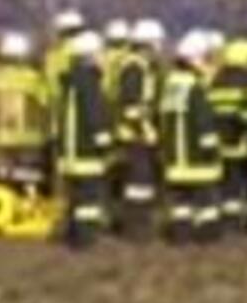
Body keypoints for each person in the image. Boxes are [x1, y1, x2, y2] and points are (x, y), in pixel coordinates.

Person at [158, 31, 224, 244]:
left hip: (175, 155)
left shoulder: (170, 85)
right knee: (206, 201)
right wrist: (212, 147)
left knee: (180, 201)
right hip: (197, 155)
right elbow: (203, 120)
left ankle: (180, 235)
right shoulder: (195, 87)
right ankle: (208, 235)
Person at [57, 29, 112, 250]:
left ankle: (74, 234)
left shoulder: (71, 81)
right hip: (85, 150)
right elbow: (93, 112)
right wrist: (103, 138)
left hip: (69, 150)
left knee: (76, 197)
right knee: (89, 197)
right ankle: (86, 239)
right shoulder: (89, 82)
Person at [112, 19, 163, 241]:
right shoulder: (134, 68)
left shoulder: (142, 67)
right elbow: (131, 106)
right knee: (137, 184)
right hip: (133, 134)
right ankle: (135, 228)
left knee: (142, 183)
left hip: (138, 132)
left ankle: (139, 225)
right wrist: (146, 130)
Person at [0, 32, 49, 190]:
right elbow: (46, 102)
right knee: (30, 176)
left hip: (0, 137)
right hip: (30, 137)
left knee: (2, 177)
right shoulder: (34, 78)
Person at [209, 36, 247, 231]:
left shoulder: (218, 78)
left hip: (220, 140)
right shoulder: (246, 78)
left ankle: (227, 219)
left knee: (226, 182)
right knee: (240, 181)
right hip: (240, 140)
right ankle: (240, 221)